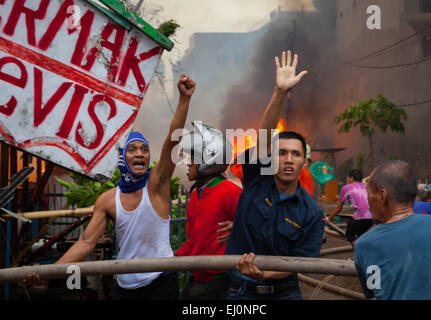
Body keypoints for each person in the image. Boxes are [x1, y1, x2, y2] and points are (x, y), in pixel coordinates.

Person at [24, 74, 197, 300]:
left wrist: (184, 99)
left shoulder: (157, 186)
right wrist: (51, 271)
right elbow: (86, 243)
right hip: (125, 284)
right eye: (132, 149)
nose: (139, 154)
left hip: (160, 281)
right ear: (123, 158)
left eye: (144, 150)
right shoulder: (107, 199)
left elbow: (172, 141)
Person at [225, 50, 324, 300]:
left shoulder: (311, 211)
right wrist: (280, 93)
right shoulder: (258, 181)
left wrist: (264, 274)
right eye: (281, 153)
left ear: (305, 163)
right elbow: (265, 137)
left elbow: (300, 261)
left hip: (285, 292)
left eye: (296, 154)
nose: (289, 159)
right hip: (242, 291)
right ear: (271, 158)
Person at [354, 160, 431, 300]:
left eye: (368, 193)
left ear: (382, 196)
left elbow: (374, 295)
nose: (368, 201)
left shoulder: (364, 245)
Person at [175, 122, 242, 300]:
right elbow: (194, 241)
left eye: (192, 157)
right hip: (197, 281)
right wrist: (168, 259)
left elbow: (254, 231)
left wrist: (238, 230)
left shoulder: (231, 192)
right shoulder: (197, 194)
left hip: (221, 285)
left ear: (210, 158)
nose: (187, 162)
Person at [327, 169, 373, 247]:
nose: (346, 179)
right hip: (372, 217)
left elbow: (339, 208)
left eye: (347, 177)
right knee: (360, 236)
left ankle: (357, 256)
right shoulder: (366, 186)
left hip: (360, 217)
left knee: (350, 236)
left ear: (351, 178)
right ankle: (360, 256)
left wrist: (329, 218)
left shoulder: (346, 188)